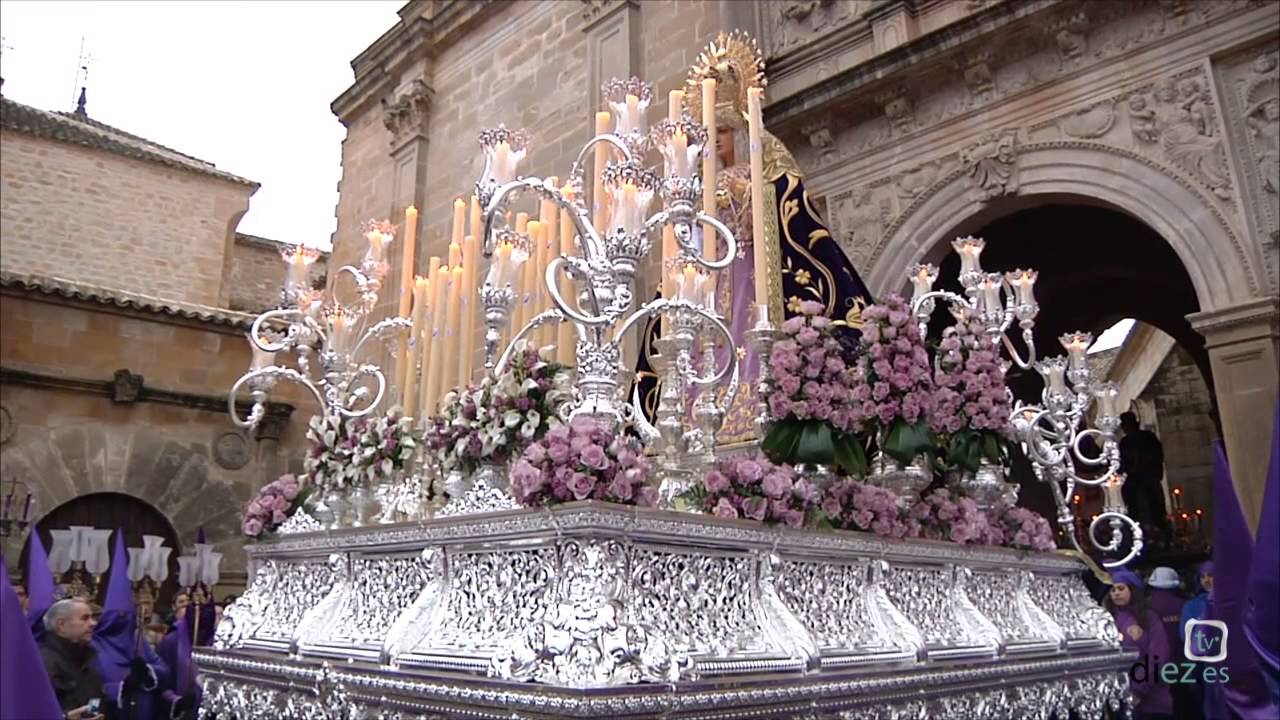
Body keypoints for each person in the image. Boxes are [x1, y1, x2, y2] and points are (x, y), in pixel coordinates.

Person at [634, 30, 874, 441]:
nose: (716, 142)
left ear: (741, 134)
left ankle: (751, 411)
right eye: (711, 135)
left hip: (749, 270)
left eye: (723, 133)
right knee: (699, 342)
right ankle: (692, 420)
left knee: (747, 334)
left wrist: (745, 195)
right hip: (708, 279)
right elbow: (687, 237)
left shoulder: (757, 177)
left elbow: (783, 217)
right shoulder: (697, 186)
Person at [1107, 569, 1174, 719]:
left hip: (1152, 700)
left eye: (1121, 588)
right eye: (1113, 590)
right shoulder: (1107, 619)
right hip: (1117, 699)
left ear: (1133, 590)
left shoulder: (1149, 618)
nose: (1116, 593)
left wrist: (1138, 689)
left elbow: (1158, 655)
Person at [39, 598, 106, 720]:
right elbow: (32, 709)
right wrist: (64, 717)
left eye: (92, 617)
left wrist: (92, 714)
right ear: (61, 625)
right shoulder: (43, 661)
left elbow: (93, 696)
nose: (93, 623)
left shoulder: (87, 657)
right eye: (85, 618)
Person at [1119, 412, 1172, 543]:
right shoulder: (1124, 443)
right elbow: (1122, 464)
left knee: (1156, 508)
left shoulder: (1148, 438)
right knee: (1134, 509)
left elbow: (1157, 456)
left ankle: (1162, 534)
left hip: (1148, 478)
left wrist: (1143, 464)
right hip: (1134, 481)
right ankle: (1138, 536)